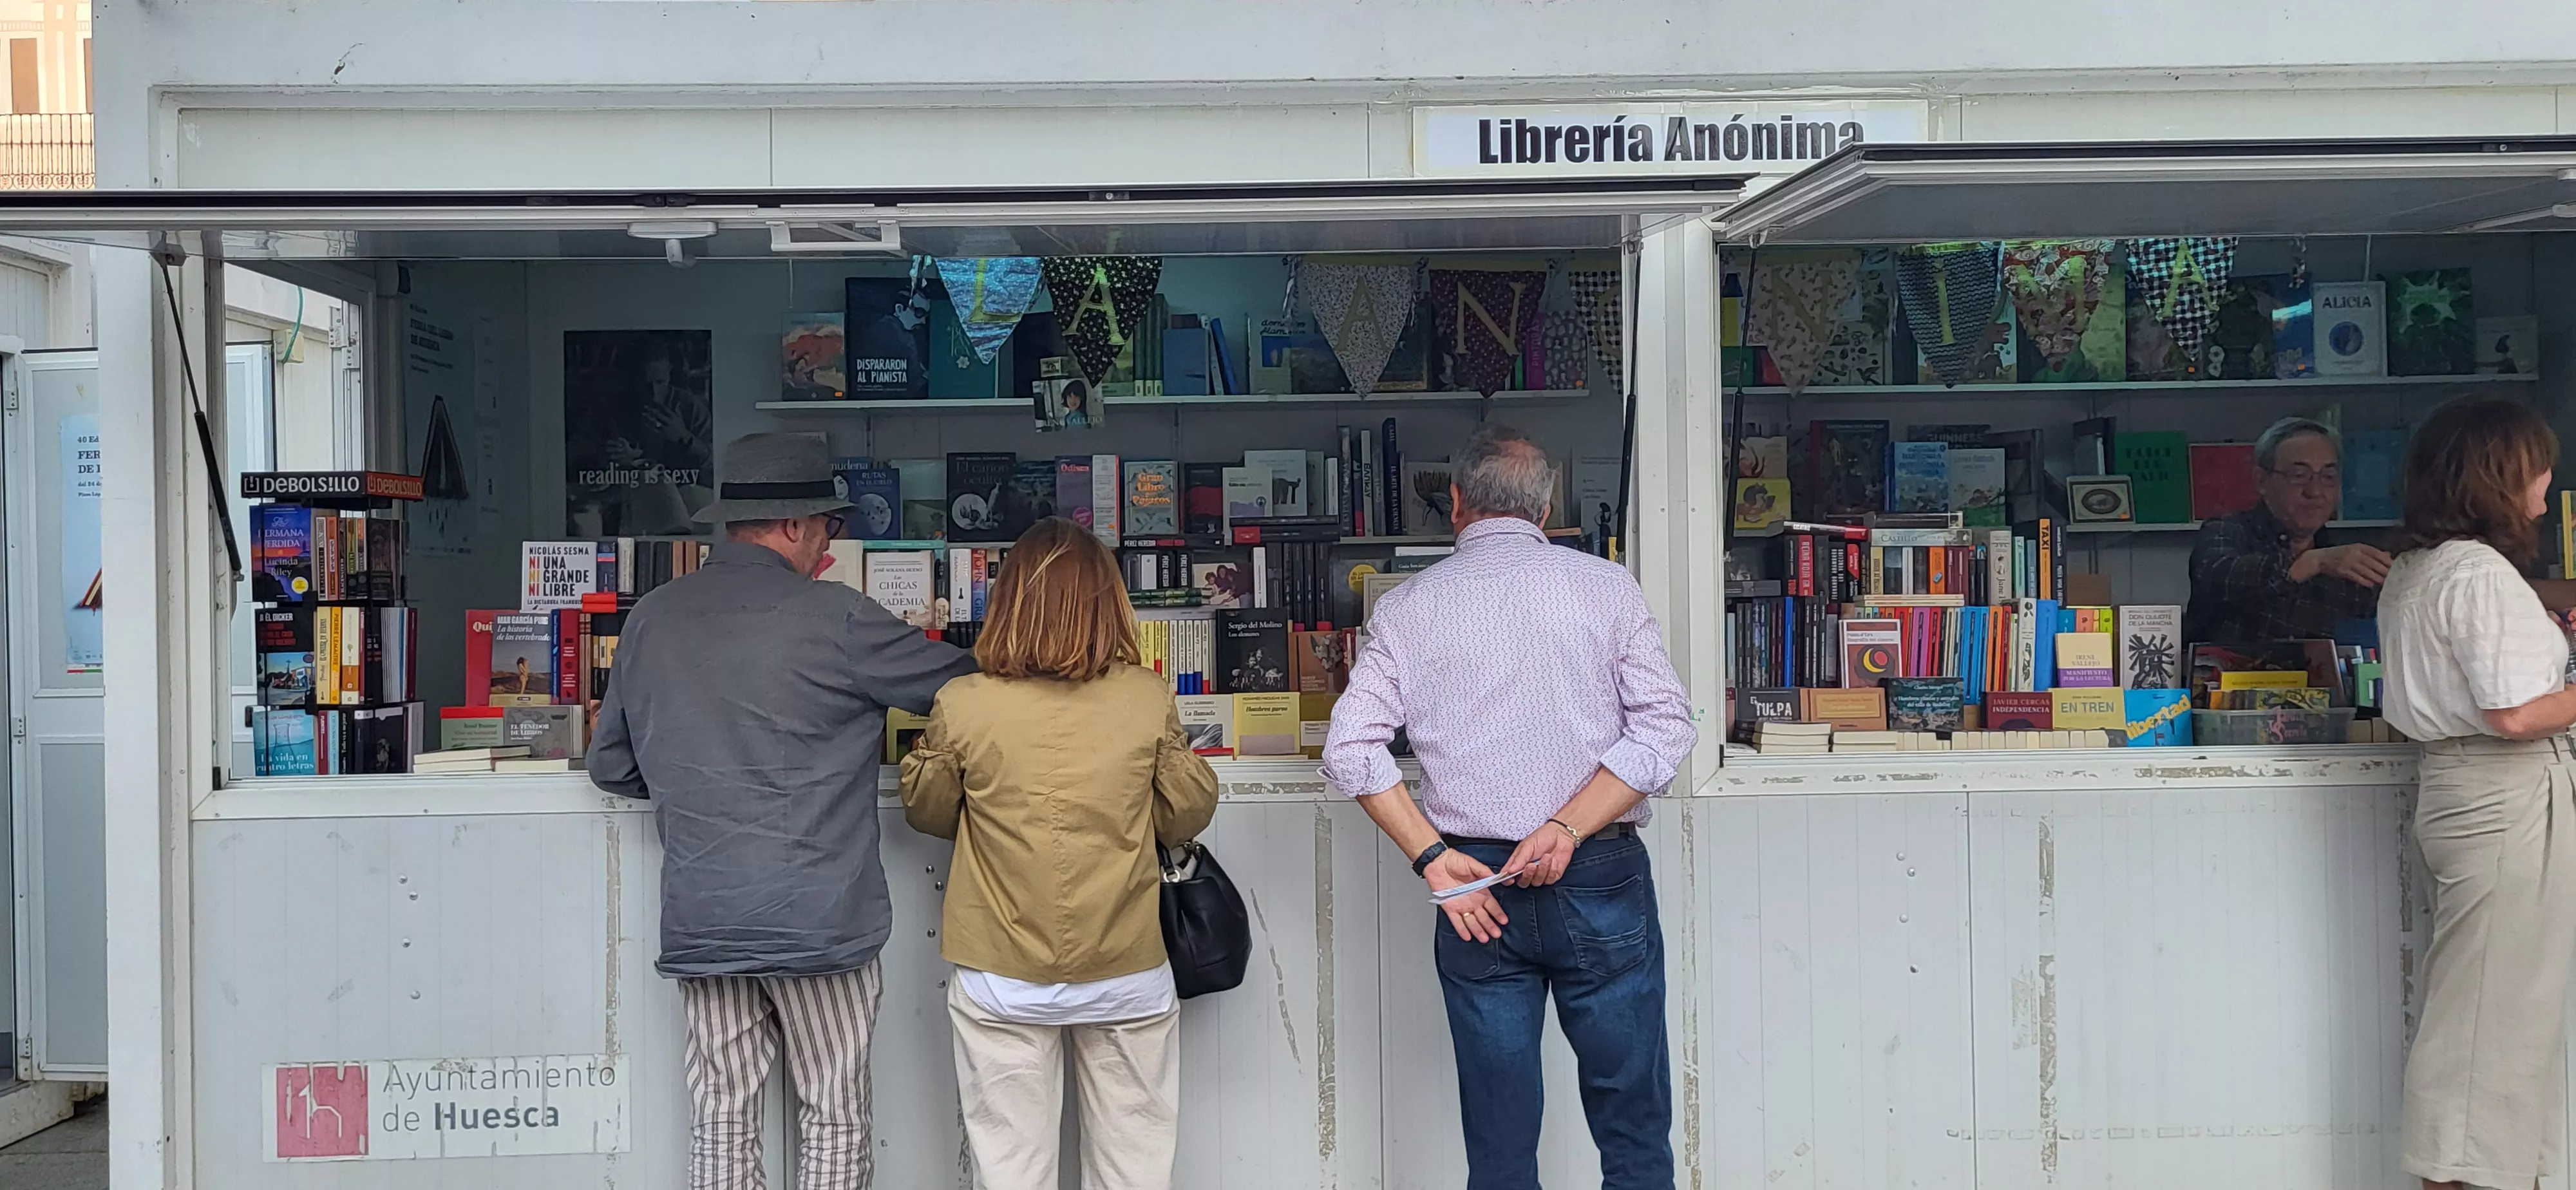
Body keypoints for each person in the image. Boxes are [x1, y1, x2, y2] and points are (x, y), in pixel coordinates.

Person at [589, 431, 981, 1190]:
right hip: (821, 922)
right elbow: (966, 685)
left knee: (721, 1121)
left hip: (706, 918)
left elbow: (612, 764)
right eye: (830, 530)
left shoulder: (651, 618)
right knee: (831, 1112)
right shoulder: (838, 618)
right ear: (796, 526)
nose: (829, 548)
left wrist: (701, 784)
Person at [1323, 424, 1696, 1189]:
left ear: (1454, 503)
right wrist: (1566, 828)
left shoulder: (1408, 608)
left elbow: (1350, 752)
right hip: (1598, 869)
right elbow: (1668, 727)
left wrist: (1430, 858)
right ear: (1547, 505)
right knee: (1631, 1117)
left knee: (1498, 1136)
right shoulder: (1604, 587)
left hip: (1473, 887)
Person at [900, 516, 1218, 1190]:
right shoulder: (1144, 697)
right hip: (1126, 967)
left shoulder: (963, 703)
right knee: (1134, 1171)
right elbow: (1184, 814)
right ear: (1110, 603)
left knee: (1010, 1171)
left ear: (1007, 601)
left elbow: (928, 813)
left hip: (1001, 973)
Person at [2376, 398, 2576, 1190]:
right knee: (2490, 1016)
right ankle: (2459, 1177)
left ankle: (2500, 1173)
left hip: (2460, 790)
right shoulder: (2479, 572)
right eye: (2535, 464)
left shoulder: (2416, 566)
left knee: (2491, 1006)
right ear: (2500, 475)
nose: (2546, 479)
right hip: (2502, 795)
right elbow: (2517, 711)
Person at [2184, 416, 2387, 644]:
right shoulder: (2225, 531)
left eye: (2328, 477)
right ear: (2261, 481)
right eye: (2299, 476)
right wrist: (2310, 563)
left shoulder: (2343, 563)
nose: (2315, 491)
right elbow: (2220, 578)